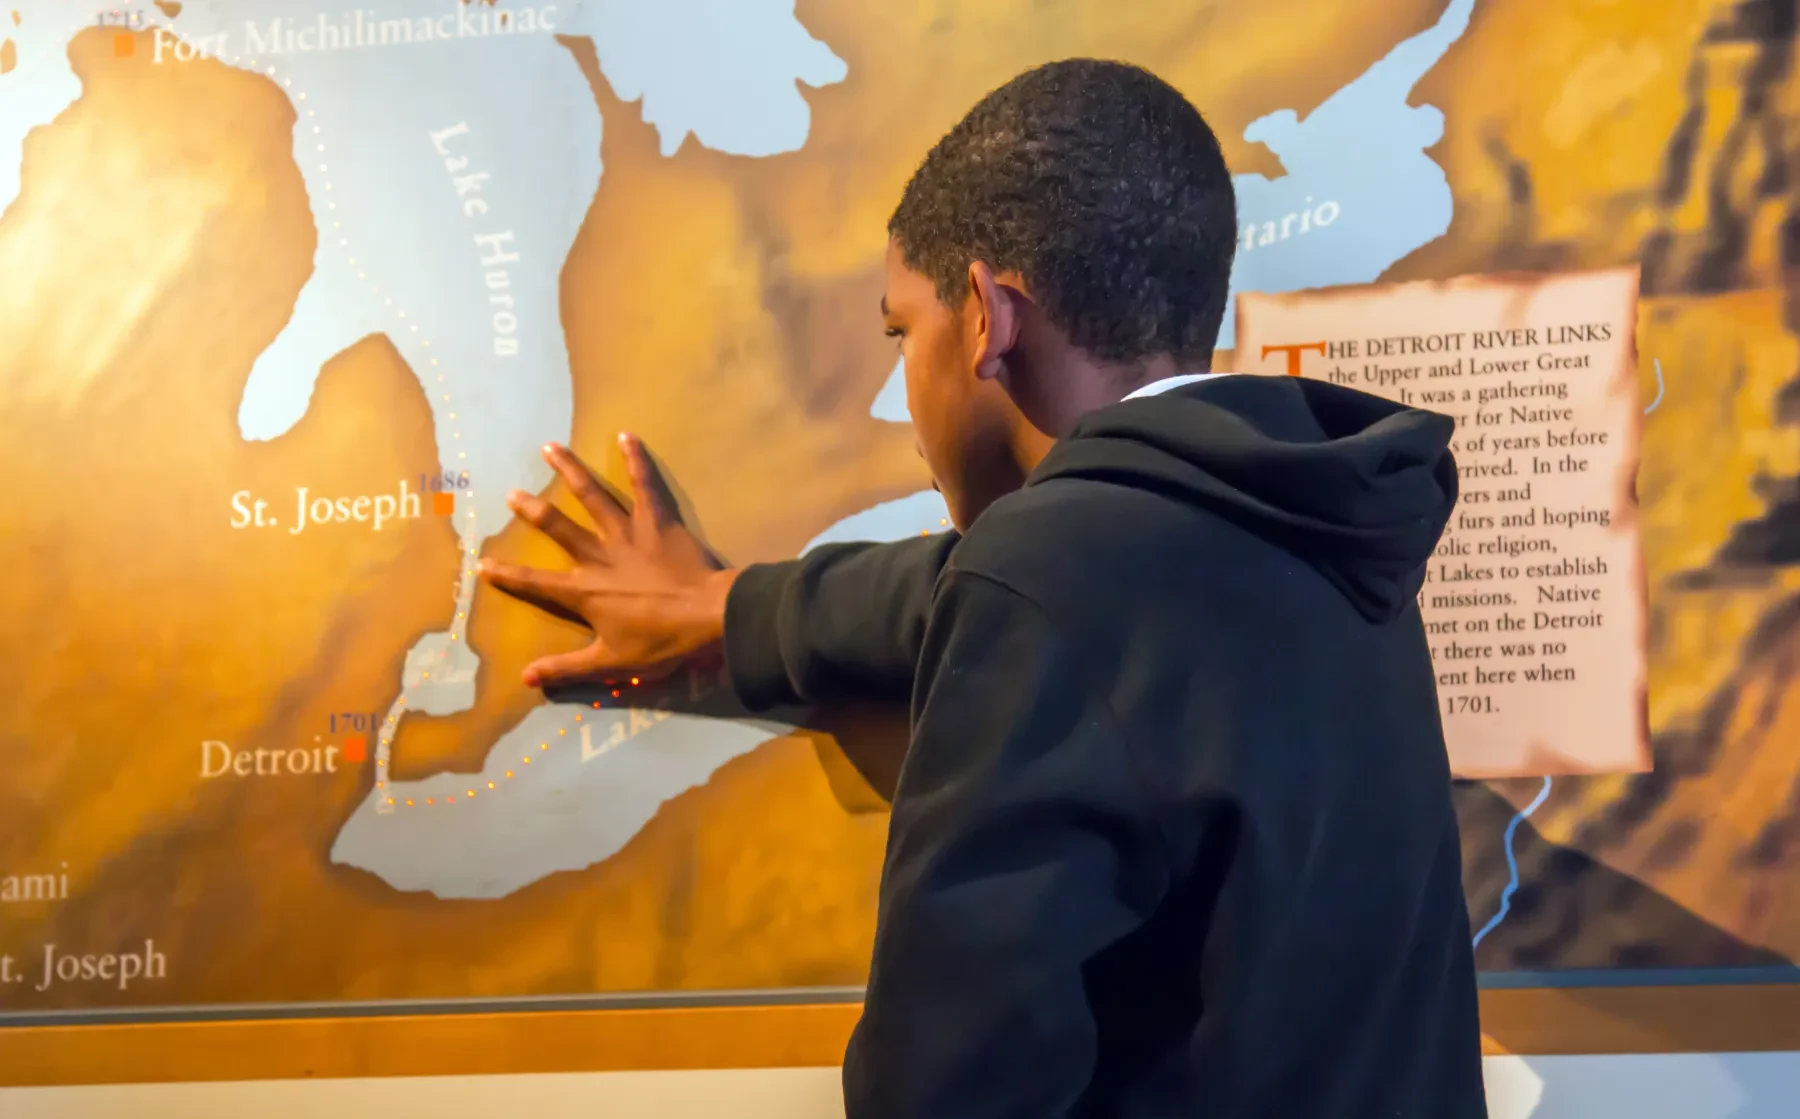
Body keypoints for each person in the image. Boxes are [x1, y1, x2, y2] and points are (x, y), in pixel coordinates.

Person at [480, 58, 1487, 1118]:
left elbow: (944, 1087)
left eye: (899, 331)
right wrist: (732, 610)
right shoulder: (1310, 519)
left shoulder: (1053, 573)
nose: (900, 387)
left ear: (985, 317)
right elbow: (958, 589)